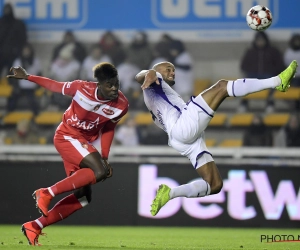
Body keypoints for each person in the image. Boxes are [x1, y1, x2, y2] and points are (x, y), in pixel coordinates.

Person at [135, 60, 298, 216]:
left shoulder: (157, 93)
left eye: (173, 70)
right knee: (222, 86)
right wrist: (149, 72)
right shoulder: (155, 81)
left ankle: (170, 193)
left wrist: (150, 74)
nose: (172, 72)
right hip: (182, 128)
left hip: (182, 140)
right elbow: (141, 75)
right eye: (167, 69)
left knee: (215, 185)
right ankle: (277, 81)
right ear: (157, 71)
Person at [7, 62, 128, 245]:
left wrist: (104, 157)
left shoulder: (121, 104)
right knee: (100, 172)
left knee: (83, 197)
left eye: (116, 84)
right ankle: (46, 192)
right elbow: (54, 85)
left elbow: (109, 127)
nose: (114, 89)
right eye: (109, 85)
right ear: (99, 84)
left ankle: (35, 225)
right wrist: (27, 77)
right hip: (67, 136)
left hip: (82, 142)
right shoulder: (81, 88)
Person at [240, 31, 285, 112]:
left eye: (262, 40)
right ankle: (244, 104)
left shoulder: (273, 51)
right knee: (245, 83)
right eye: (258, 40)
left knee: (272, 83)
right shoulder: (250, 51)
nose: (260, 42)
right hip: (253, 74)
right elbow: (243, 65)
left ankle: (270, 104)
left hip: (268, 74)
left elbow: (280, 65)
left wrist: (273, 71)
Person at [7, 43, 42, 114]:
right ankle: (9, 113)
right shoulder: (18, 61)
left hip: (31, 86)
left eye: (27, 50)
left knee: (32, 101)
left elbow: (39, 74)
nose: (26, 52)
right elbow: (13, 75)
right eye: (25, 50)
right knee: (12, 98)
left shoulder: (36, 61)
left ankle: (36, 115)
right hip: (20, 86)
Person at [0, 3, 27, 75]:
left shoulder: (19, 24)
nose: (7, 12)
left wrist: (18, 51)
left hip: (14, 55)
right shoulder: (1, 23)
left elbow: (23, 40)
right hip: (1, 55)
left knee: (13, 78)